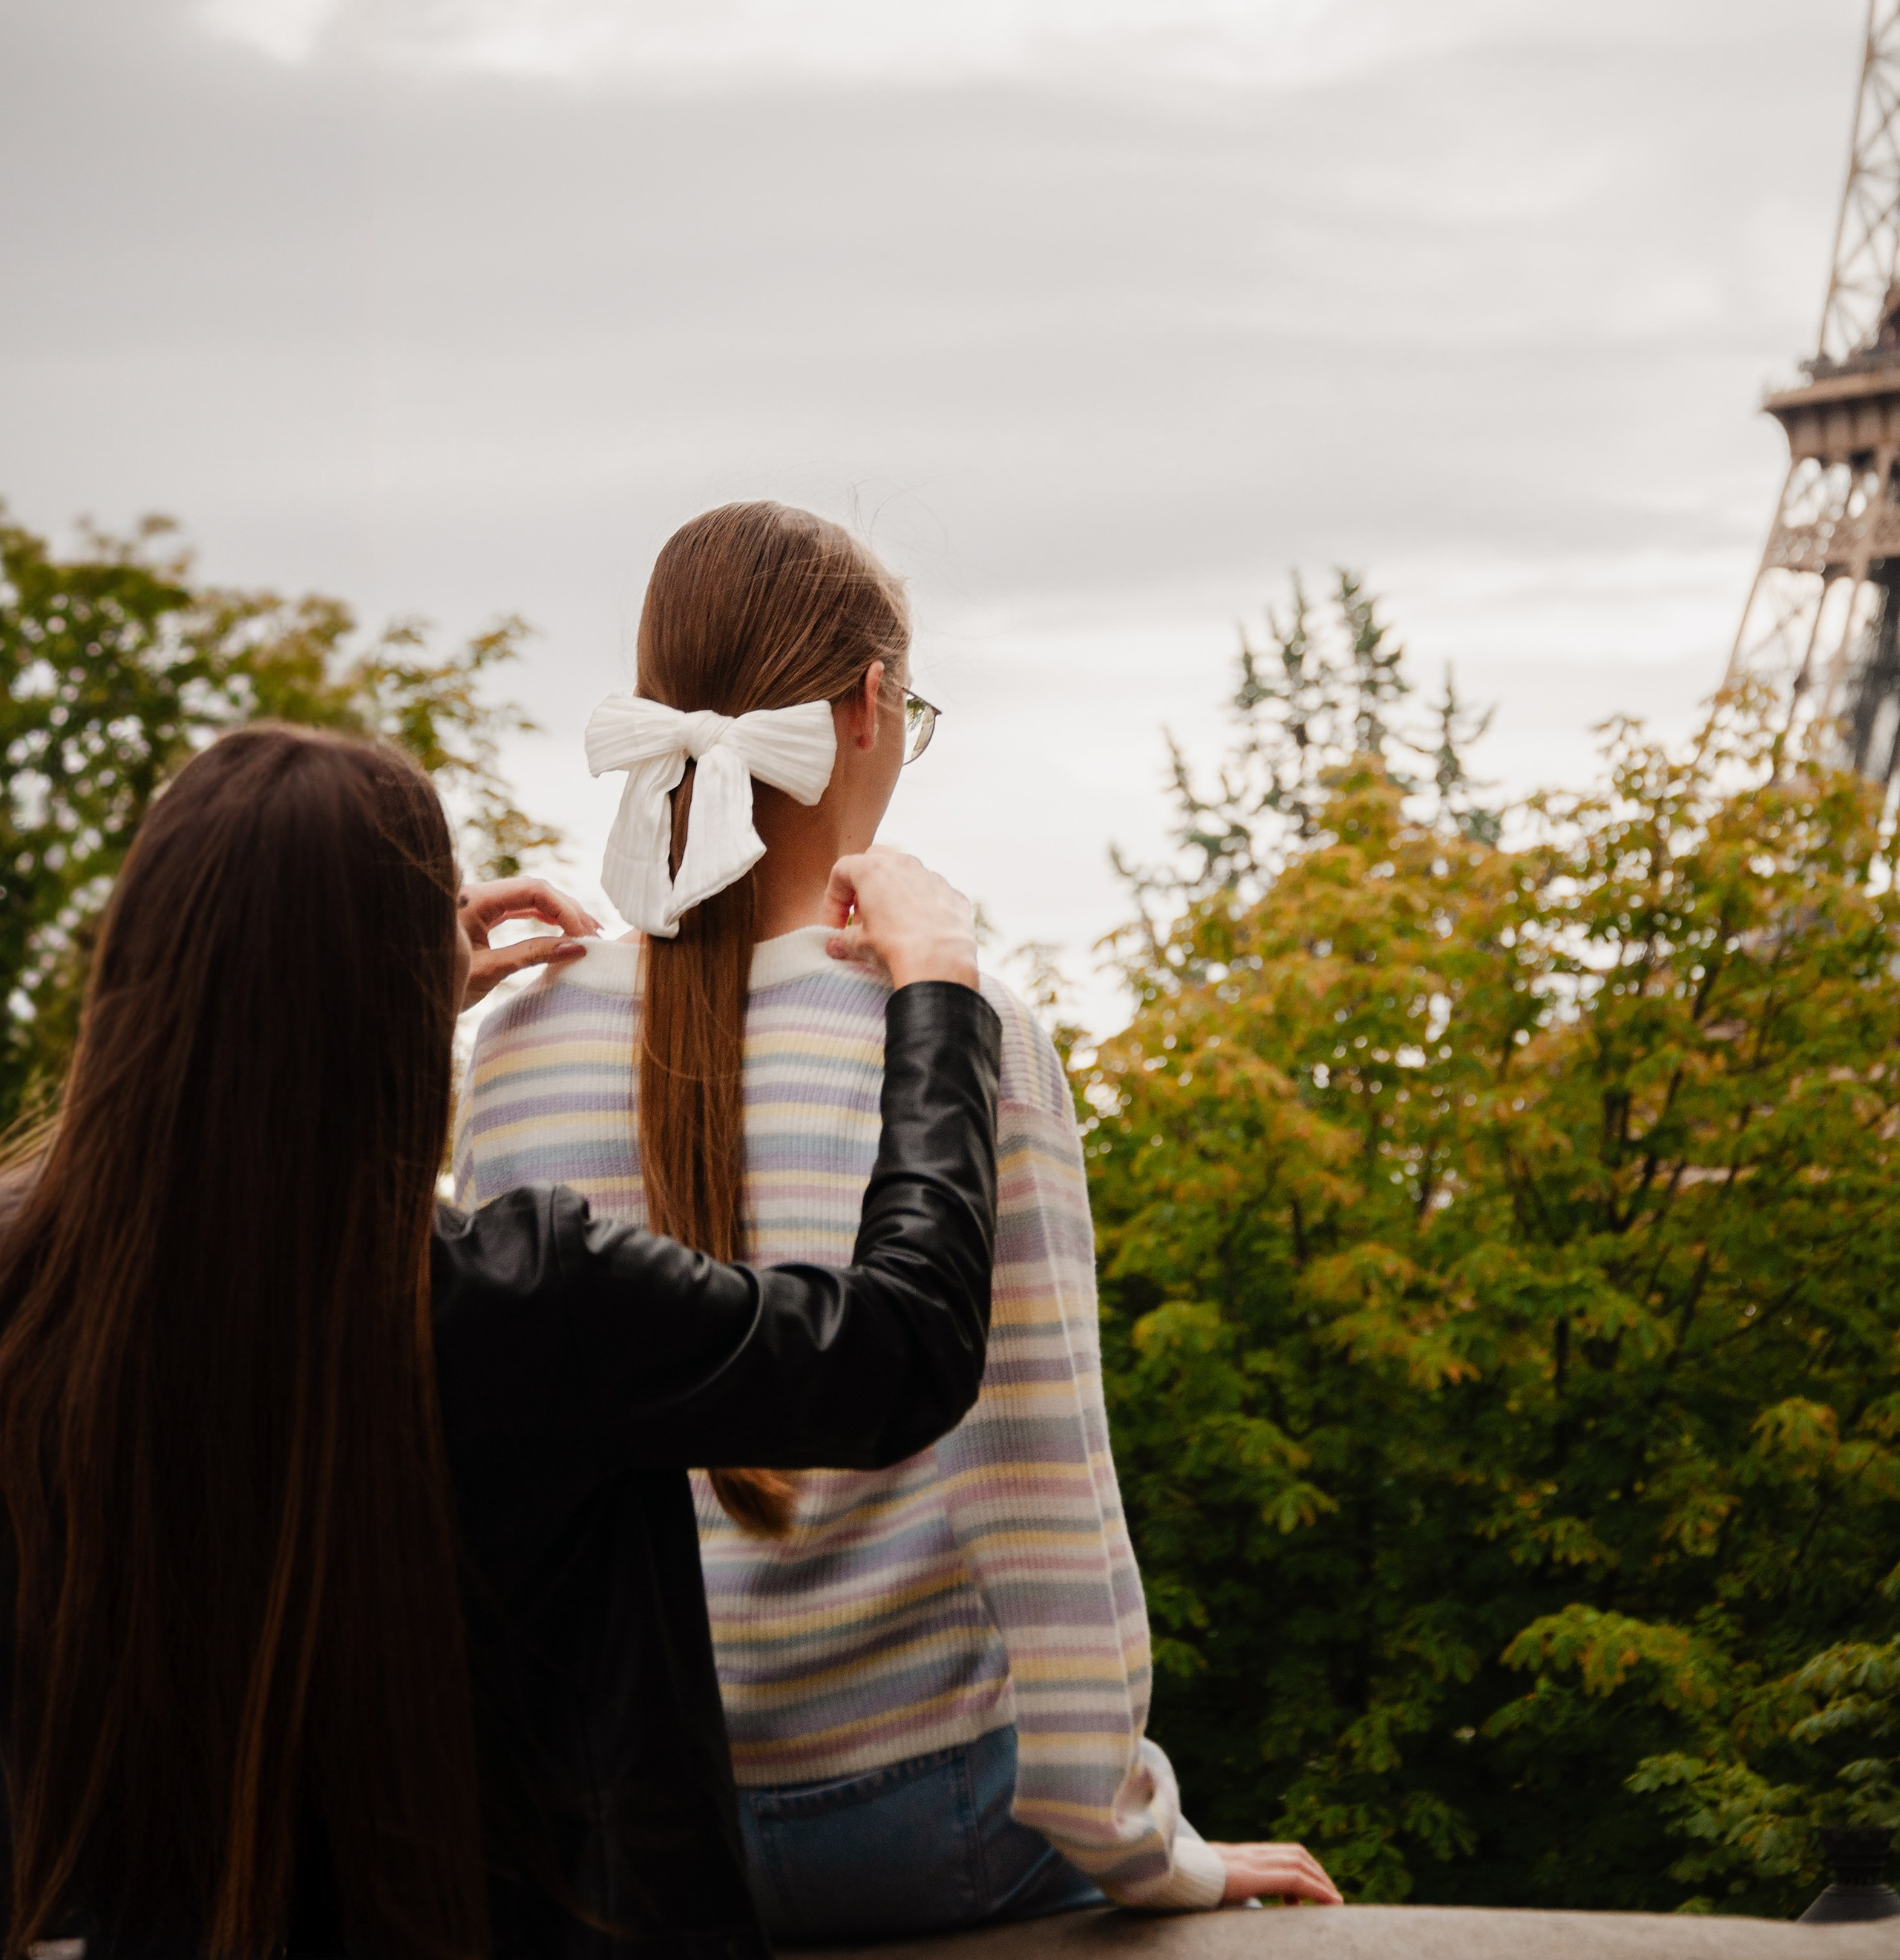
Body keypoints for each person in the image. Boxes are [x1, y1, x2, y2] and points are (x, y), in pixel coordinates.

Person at [459, 500, 1341, 1942]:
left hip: (620, 1826)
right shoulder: (959, 1029)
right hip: (910, 1824)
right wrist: (1144, 1845)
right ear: (870, 705)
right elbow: (1036, 1475)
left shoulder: (511, 1045)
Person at [0, 721, 1000, 1960]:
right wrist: (942, 994)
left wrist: (394, 989)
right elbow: (904, 1346)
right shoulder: (528, 1304)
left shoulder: (30, 1291)